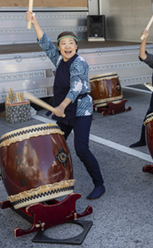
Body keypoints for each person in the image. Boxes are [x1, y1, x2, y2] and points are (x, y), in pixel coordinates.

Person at [25, 12, 105, 200]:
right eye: (63, 44)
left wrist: (60, 107)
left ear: (76, 46)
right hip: (64, 109)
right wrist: (35, 21)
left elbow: (77, 87)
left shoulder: (80, 62)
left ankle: (99, 184)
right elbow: (44, 43)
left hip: (80, 110)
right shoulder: (60, 59)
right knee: (55, 147)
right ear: (59, 48)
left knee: (81, 149)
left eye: (71, 43)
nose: (67, 47)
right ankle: (52, 182)